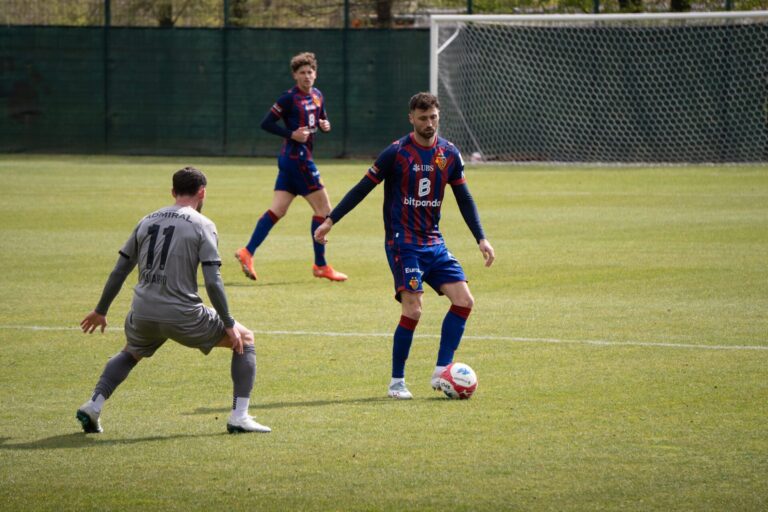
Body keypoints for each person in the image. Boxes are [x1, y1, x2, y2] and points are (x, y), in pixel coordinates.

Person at [314, 92, 495, 399]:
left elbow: (464, 198)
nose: (429, 123)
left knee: (464, 301)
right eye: (423, 118)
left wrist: (481, 237)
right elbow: (363, 188)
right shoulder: (396, 153)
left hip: (434, 242)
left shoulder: (448, 154)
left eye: (433, 117)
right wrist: (331, 219)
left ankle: (442, 370)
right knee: (414, 309)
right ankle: (397, 382)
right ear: (411, 118)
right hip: (404, 243)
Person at [77, 167, 270, 434]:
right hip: (183, 314)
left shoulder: (146, 221)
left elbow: (120, 269)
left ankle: (94, 404)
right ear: (202, 192)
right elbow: (213, 281)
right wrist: (228, 323)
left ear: (172, 192)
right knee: (245, 339)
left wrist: (101, 310)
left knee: (131, 352)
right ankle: (240, 416)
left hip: (143, 311)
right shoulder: (203, 224)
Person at [235, 51, 347, 282]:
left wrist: (326, 125)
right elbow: (266, 123)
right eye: (302, 72)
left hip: (292, 161)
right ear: (295, 76)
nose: (307, 76)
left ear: (315, 74)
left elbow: (322, 120)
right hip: (298, 160)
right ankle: (321, 265)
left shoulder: (317, 96)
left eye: (310, 72)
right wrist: (291, 134)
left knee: (278, 210)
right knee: (324, 210)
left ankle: (247, 252)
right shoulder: (288, 98)